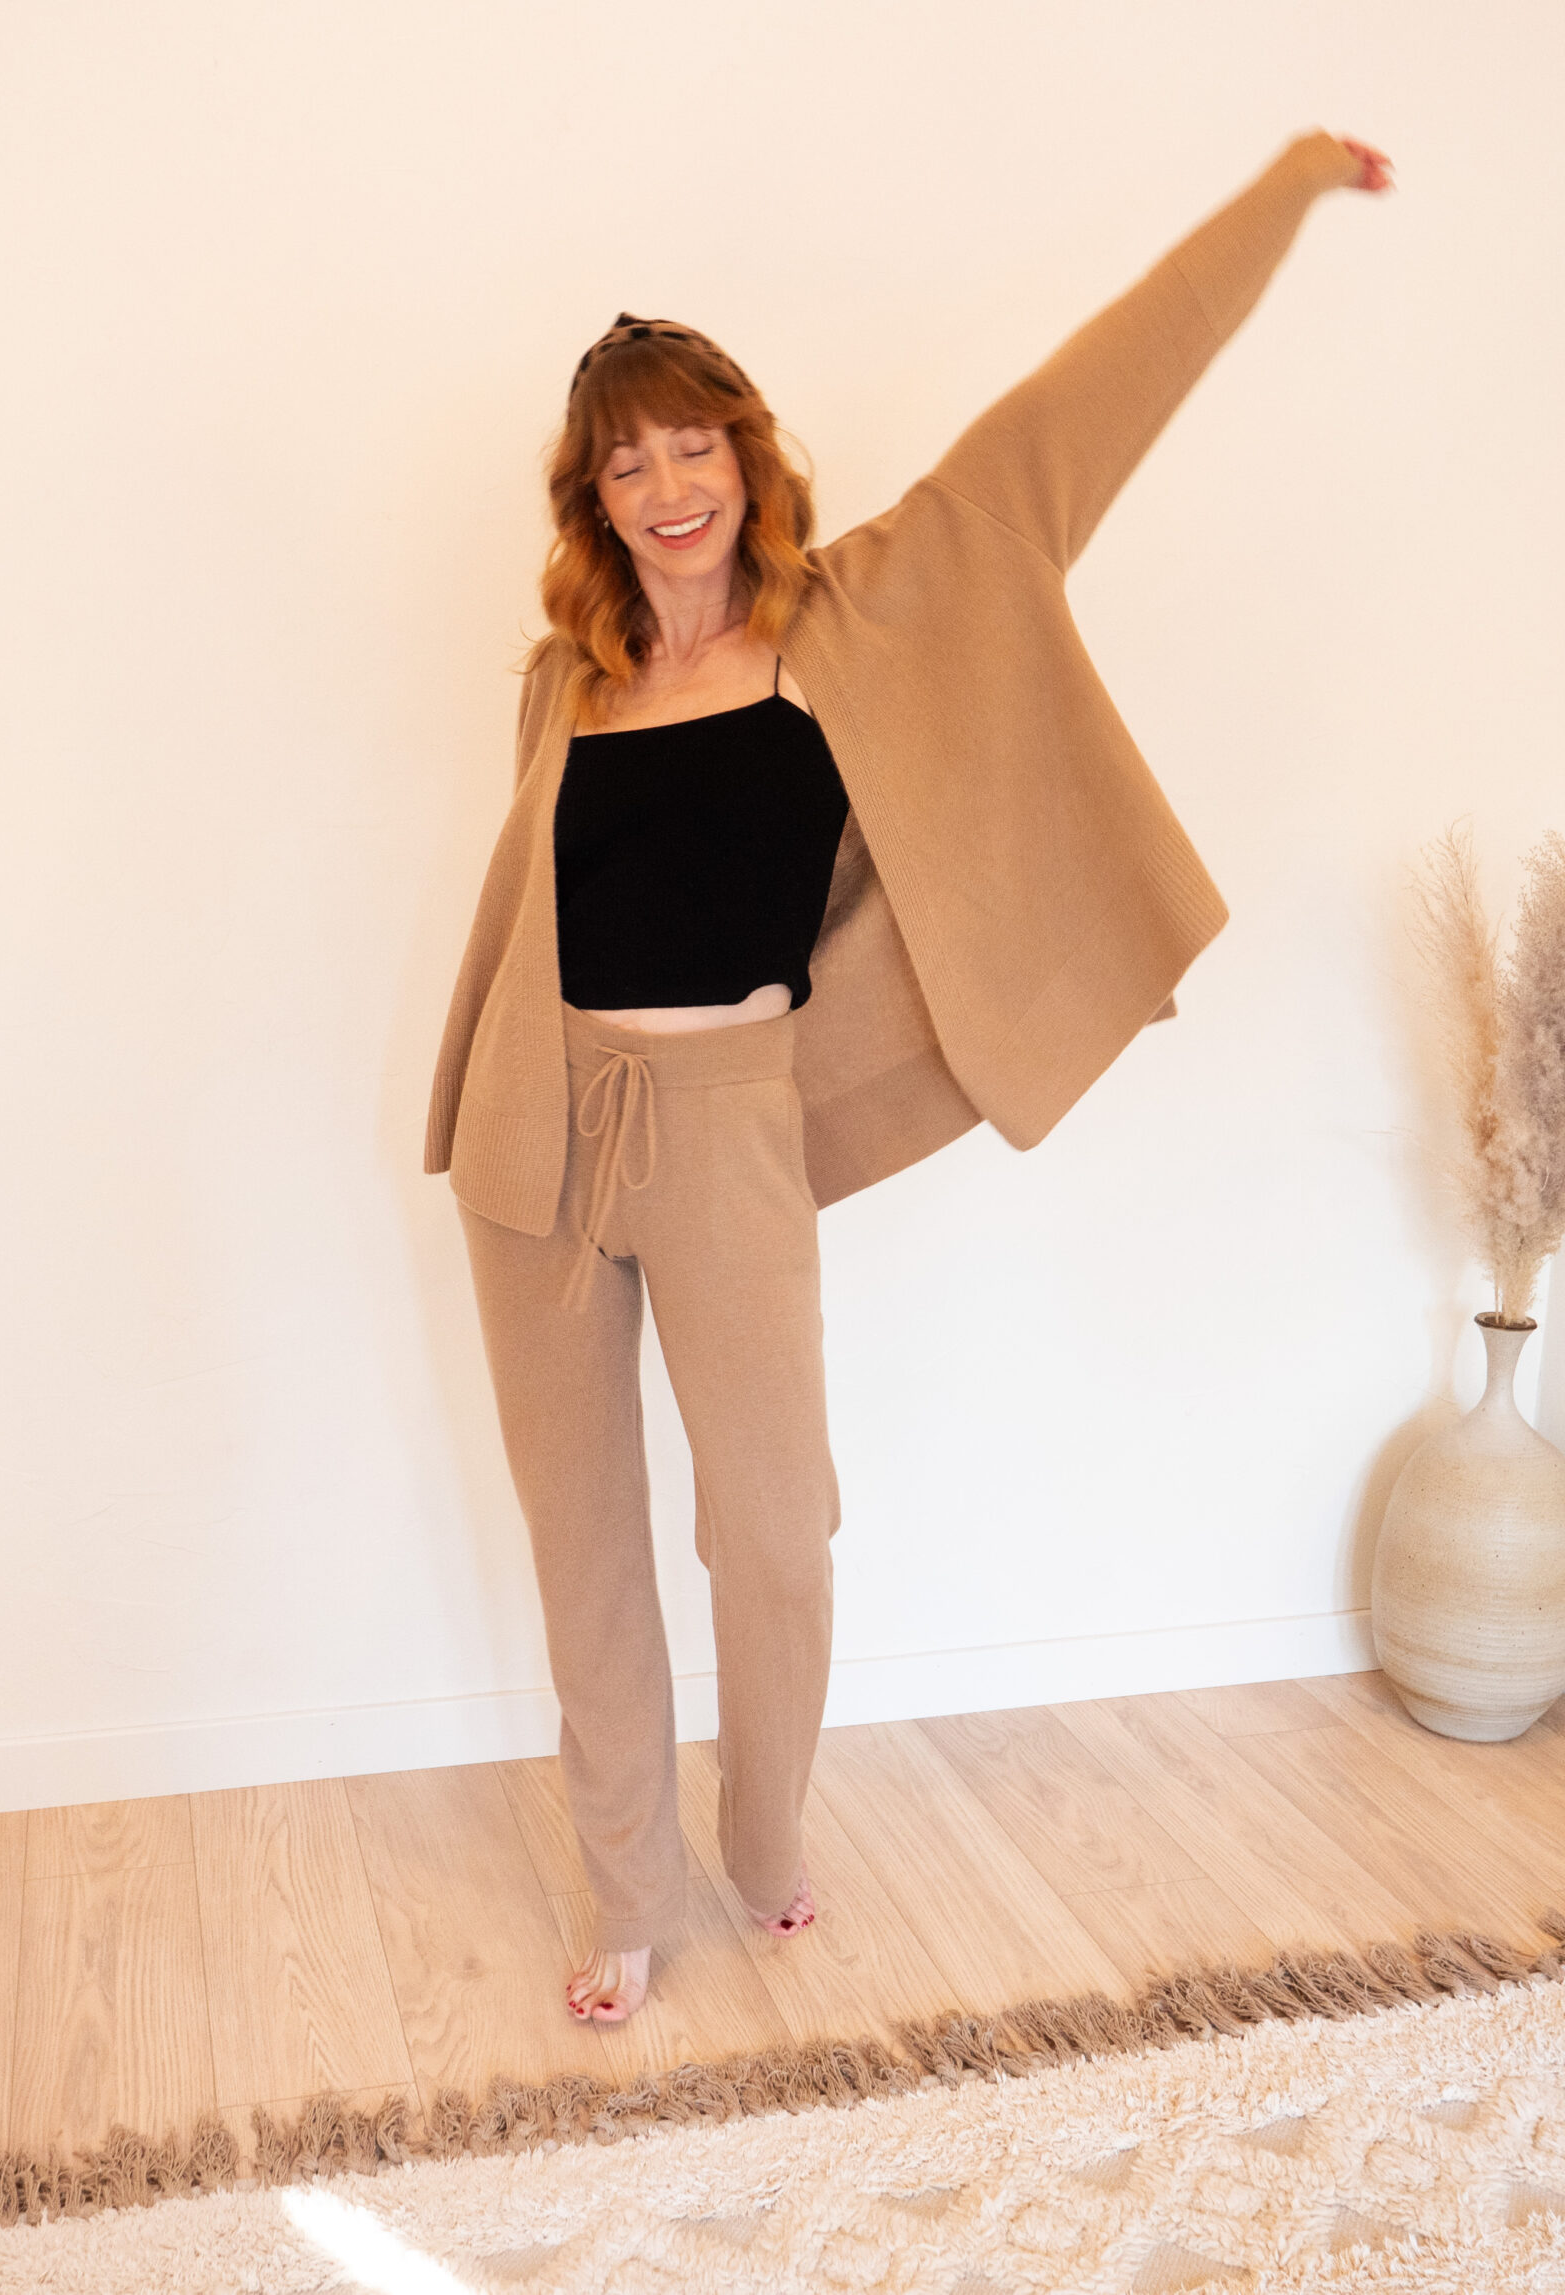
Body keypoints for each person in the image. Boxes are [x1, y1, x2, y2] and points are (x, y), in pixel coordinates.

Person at [426, 129, 1393, 2023]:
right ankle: (622, 1887)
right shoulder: (564, 681)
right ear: (593, 501)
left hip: (724, 1126)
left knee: (774, 1525)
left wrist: (1277, 194)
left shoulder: (854, 616)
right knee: (585, 1543)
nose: (665, 483)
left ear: (745, 455)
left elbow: (1074, 416)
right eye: (626, 462)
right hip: (538, 1135)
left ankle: (762, 1833)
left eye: (691, 443)